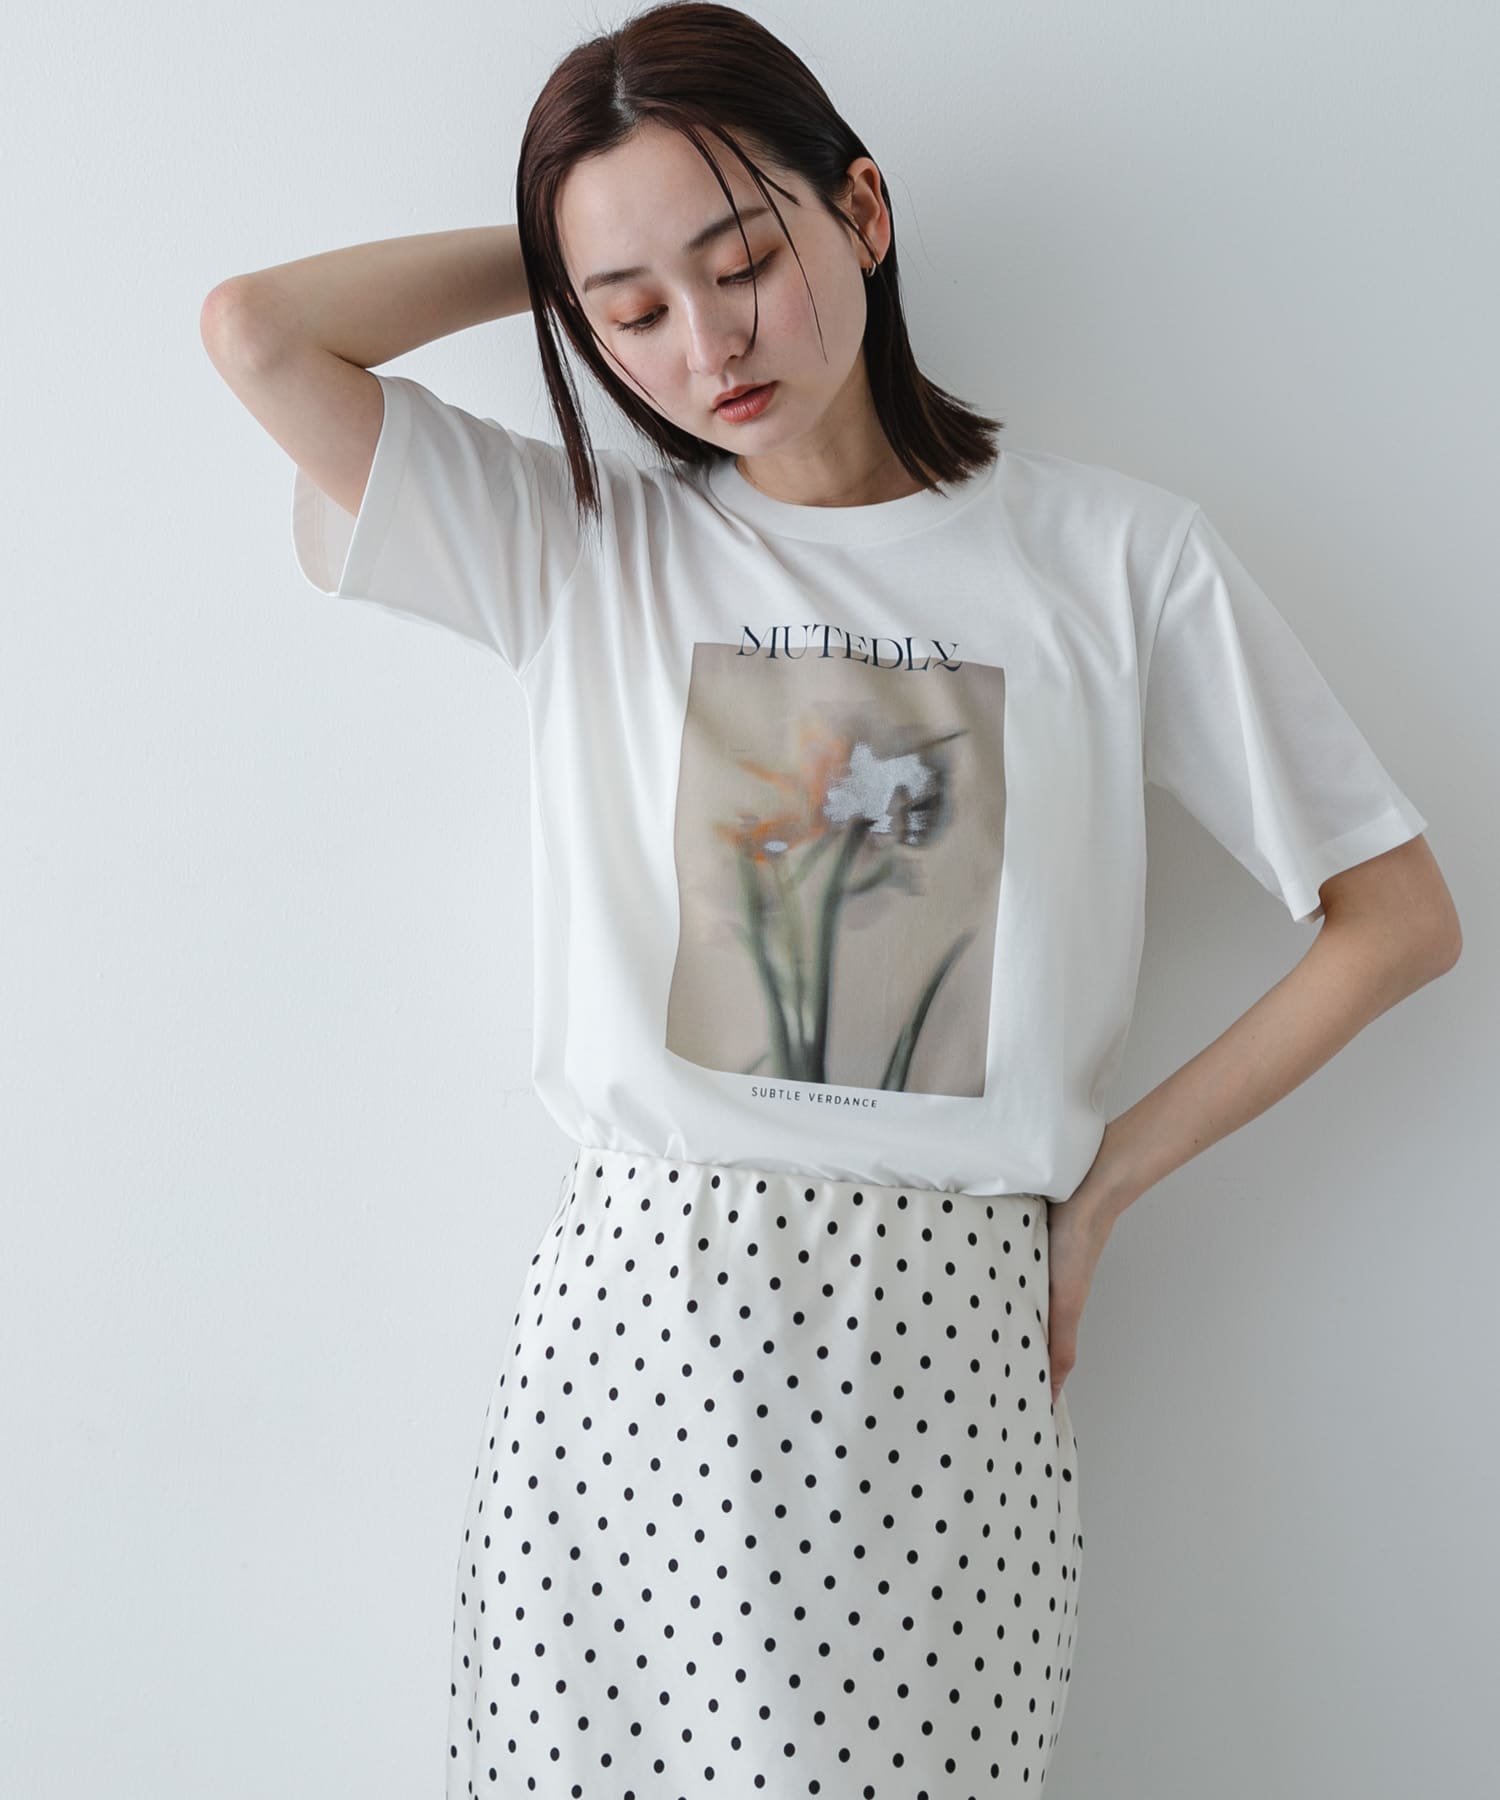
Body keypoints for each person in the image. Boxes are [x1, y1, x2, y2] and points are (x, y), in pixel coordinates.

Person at [200, 3, 1461, 1793]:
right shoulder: (585, 542)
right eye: (631, 312)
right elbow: (259, 333)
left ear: (863, 211)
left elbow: (1397, 916)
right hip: (634, 1351)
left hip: (946, 1346)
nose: (704, 344)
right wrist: (566, 251)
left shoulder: (1115, 560)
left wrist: (1103, 1189)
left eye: (742, 264)